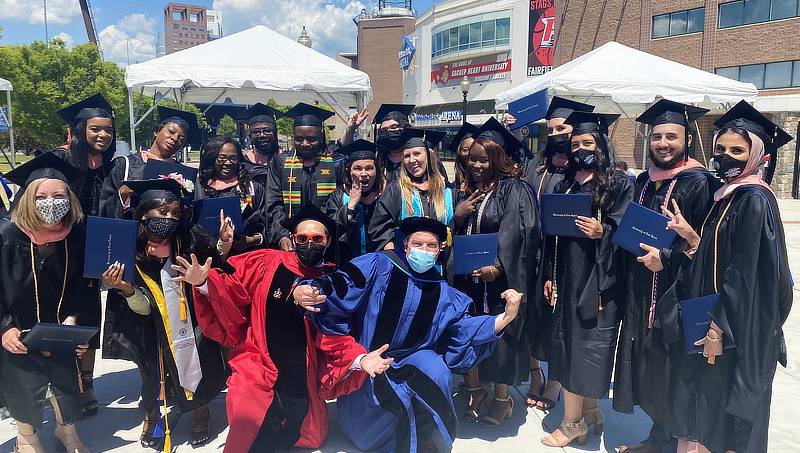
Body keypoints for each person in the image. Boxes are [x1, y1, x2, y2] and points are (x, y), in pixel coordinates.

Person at [174, 204, 393, 453]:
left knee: (304, 432)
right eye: (303, 238)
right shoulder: (266, 261)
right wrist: (203, 282)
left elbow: (333, 335)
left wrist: (360, 359)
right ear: (292, 238)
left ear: (328, 241)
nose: (309, 244)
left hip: (301, 372)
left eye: (317, 239)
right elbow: (230, 286)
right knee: (248, 424)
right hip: (258, 361)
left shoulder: (335, 281)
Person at [293, 216, 524, 453]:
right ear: (406, 246)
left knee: (435, 368)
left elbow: (463, 328)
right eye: (418, 244)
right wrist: (305, 290)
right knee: (371, 429)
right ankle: (390, 438)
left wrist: (505, 317)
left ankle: (424, 438)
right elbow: (339, 286)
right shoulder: (377, 265)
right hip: (371, 362)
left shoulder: (440, 288)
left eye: (431, 246)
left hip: (411, 360)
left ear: (439, 251)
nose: (424, 250)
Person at [649, 100, 793, 453]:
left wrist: (718, 328)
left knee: (719, 418)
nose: (726, 158)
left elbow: (745, 277)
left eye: (737, 151)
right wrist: (692, 237)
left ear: (759, 155)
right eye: (720, 150)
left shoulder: (753, 200)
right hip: (711, 320)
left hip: (729, 332)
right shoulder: (726, 196)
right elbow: (719, 259)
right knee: (701, 412)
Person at [613, 99, 717, 453]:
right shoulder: (643, 181)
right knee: (652, 368)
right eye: (656, 136)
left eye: (671, 136)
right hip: (643, 291)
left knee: (675, 371)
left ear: (687, 139)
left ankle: (675, 443)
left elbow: (707, 247)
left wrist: (667, 258)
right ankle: (658, 439)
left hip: (678, 294)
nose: (663, 143)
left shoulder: (701, 183)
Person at [100, 177, 228, 450]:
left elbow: (213, 258)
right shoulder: (129, 248)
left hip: (187, 319)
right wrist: (124, 288)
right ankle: (153, 413)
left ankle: (199, 409)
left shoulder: (188, 239)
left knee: (195, 362)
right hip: (146, 322)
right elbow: (142, 307)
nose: (169, 219)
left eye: (174, 214)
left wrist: (218, 253)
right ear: (144, 213)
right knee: (151, 369)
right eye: (162, 212)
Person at [537, 111, 634, 447]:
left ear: (601, 146)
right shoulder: (563, 184)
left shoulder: (620, 184)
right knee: (567, 345)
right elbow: (551, 235)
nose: (580, 149)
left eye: (588, 142)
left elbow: (629, 236)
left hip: (598, 284)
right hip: (565, 280)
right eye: (575, 143)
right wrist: (549, 275)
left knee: (585, 350)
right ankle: (590, 412)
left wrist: (603, 231)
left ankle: (572, 421)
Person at [0, 153, 92, 453]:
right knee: (23, 385)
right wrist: (4, 328)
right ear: (27, 198)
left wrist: (75, 319)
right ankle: (27, 439)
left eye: (59, 195)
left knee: (66, 382)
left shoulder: (75, 234)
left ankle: (66, 433)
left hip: (59, 328)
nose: (51, 202)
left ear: (70, 198)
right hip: (17, 329)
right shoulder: (6, 234)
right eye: (41, 196)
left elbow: (82, 284)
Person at [451, 117, 540, 427]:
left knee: (502, 338)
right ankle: (478, 391)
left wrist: (499, 266)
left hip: (500, 281)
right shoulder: (470, 190)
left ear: (498, 158)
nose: (475, 164)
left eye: (482, 158)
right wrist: (457, 217)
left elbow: (519, 233)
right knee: (474, 333)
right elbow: (461, 233)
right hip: (471, 280)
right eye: (472, 158)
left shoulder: (514, 189)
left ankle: (502, 398)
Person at [522, 98, 594, 411]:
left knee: (555, 320)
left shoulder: (578, 170)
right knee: (532, 317)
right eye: (550, 129)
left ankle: (555, 381)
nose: (555, 134)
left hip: (561, 256)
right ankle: (535, 373)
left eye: (561, 128)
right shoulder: (537, 164)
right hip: (533, 253)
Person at [51, 93, 117, 418]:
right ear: (80, 130)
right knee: (60, 314)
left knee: (89, 318)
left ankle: (87, 384)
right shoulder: (57, 161)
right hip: (61, 253)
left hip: (93, 255)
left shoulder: (111, 167)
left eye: (107, 130)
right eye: (95, 129)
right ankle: (65, 385)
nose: (103, 136)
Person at [265, 102, 346, 250]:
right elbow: (273, 204)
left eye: (311, 138)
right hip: (291, 240)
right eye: (299, 138)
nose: (305, 143)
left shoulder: (335, 163)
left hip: (327, 241)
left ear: (321, 137)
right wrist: (282, 234)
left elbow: (340, 203)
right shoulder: (280, 163)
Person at [99, 106, 204, 219]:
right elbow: (104, 205)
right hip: (132, 231)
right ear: (156, 132)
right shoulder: (124, 164)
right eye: (171, 132)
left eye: (181, 139)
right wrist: (123, 194)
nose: (175, 138)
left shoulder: (184, 174)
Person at [368, 128, 454, 251]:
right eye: (407, 156)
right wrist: (391, 250)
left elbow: (455, 227)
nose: (412, 160)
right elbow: (379, 226)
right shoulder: (396, 189)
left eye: (417, 154)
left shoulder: (447, 190)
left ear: (429, 156)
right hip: (405, 261)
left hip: (441, 263)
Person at [199, 136, 268, 255]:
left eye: (233, 158)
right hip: (207, 256)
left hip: (244, 257)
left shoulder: (251, 188)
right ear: (212, 158)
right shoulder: (200, 187)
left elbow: (267, 224)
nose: (227, 163)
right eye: (221, 158)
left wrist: (251, 240)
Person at [324, 139, 385, 261]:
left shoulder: (386, 193)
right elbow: (332, 231)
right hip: (347, 264)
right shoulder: (338, 196)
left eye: (369, 168)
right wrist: (351, 205)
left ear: (376, 170)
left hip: (381, 264)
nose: (363, 174)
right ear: (349, 170)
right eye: (357, 168)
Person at [372, 104, 450, 185]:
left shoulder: (425, 158)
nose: (389, 132)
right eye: (384, 130)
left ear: (405, 128)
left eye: (394, 127)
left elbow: (442, 186)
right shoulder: (381, 159)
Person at [241, 103, 283, 187]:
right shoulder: (243, 164)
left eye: (267, 130)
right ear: (250, 136)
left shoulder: (287, 161)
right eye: (256, 132)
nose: (262, 135)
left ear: (275, 133)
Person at [449, 122, 479, 192]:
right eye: (465, 150)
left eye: (473, 149)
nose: (469, 153)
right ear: (459, 153)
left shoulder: (488, 184)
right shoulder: (453, 187)